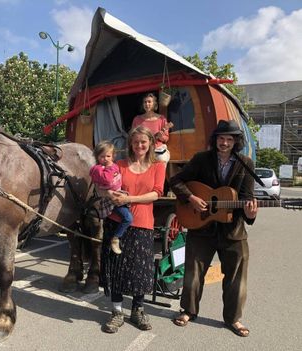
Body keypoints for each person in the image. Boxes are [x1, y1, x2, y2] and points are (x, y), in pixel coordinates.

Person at [169, 119, 258, 337]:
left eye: (229, 139)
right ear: (215, 139)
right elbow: (176, 180)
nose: (225, 143)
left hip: (232, 229)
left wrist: (250, 213)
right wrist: (190, 197)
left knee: (237, 275)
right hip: (201, 227)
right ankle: (188, 310)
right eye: (221, 138)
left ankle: (233, 318)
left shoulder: (245, 163)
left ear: (236, 141)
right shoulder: (201, 159)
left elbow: (246, 197)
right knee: (194, 271)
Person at [100, 125, 166, 334]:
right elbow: (102, 185)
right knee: (117, 269)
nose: (139, 145)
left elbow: (156, 194)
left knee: (140, 271)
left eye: (143, 142)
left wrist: (129, 198)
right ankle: (117, 312)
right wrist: (109, 193)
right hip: (116, 222)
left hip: (143, 224)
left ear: (150, 144)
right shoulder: (118, 164)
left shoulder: (158, 166)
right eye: (135, 142)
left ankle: (138, 310)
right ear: (130, 143)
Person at [90, 140, 133, 254]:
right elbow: (107, 179)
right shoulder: (98, 169)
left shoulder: (114, 166)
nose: (106, 159)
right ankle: (115, 238)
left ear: (113, 156)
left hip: (118, 195)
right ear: (97, 157)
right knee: (128, 218)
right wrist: (104, 169)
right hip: (110, 199)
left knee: (127, 216)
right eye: (102, 156)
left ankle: (115, 237)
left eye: (108, 156)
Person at [131, 93, 171, 162]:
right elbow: (132, 136)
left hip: (157, 149)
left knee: (162, 158)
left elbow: (166, 138)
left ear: (154, 104)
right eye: (145, 102)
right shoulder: (137, 119)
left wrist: (161, 137)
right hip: (141, 149)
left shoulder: (161, 119)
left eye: (149, 102)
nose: (147, 104)